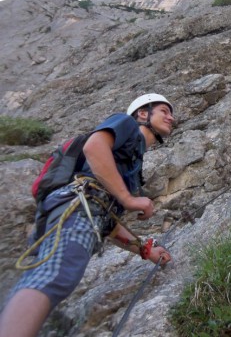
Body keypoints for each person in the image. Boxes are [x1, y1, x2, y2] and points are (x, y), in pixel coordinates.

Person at [0, 94, 175, 337]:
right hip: (77, 206)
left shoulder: (131, 161)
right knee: (57, 276)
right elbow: (94, 146)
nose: (171, 117)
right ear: (143, 113)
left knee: (48, 277)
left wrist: (144, 249)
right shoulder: (125, 124)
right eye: (164, 110)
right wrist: (128, 199)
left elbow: (108, 222)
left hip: (77, 210)